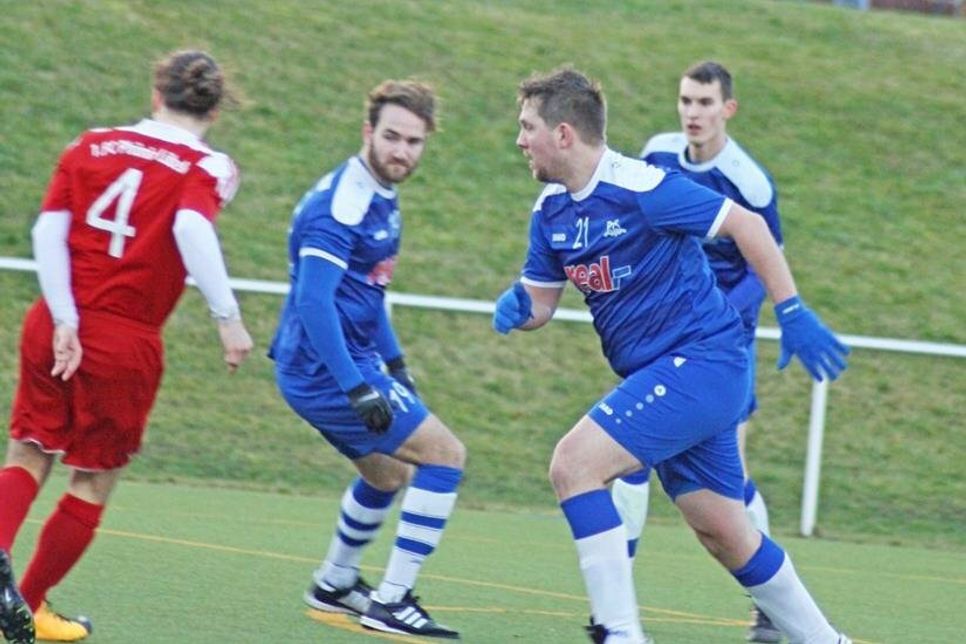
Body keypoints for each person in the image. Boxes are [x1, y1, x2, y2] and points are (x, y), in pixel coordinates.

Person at [493, 67, 850, 644]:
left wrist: (791, 310)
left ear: (562, 134)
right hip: (674, 375)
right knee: (726, 534)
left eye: (527, 127)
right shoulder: (550, 211)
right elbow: (541, 303)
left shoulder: (641, 187)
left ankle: (620, 633)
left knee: (574, 465)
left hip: (703, 363)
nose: (519, 140)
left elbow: (748, 225)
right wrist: (519, 308)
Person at [0, 49, 253, 644]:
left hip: (54, 320)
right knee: (92, 478)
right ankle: (25, 607)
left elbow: (47, 230)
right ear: (215, 109)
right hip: (123, 338)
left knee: (28, 453)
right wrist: (228, 318)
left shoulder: (90, 145)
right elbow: (190, 226)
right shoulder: (209, 166)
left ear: (155, 95)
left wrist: (65, 317)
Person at [268, 79, 464, 640]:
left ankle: (334, 582)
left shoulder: (379, 192)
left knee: (390, 472)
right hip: (322, 369)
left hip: (335, 364)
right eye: (392, 137)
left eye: (414, 141)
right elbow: (314, 301)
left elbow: (368, 294)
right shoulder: (344, 205)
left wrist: (395, 366)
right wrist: (356, 386)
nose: (402, 151)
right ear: (367, 132)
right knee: (445, 455)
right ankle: (392, 601)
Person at [611, 60, 784, 642]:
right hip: (662, 338)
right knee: (628, 458)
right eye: (686, 100)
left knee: (728, 484)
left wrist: (716, 317)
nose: (693, 112)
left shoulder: (749, 182)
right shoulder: (657, 153)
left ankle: (770, 606)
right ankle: (615, 602)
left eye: (705, 103)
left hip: (722, 347)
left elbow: (764, 263)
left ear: (727, 109)